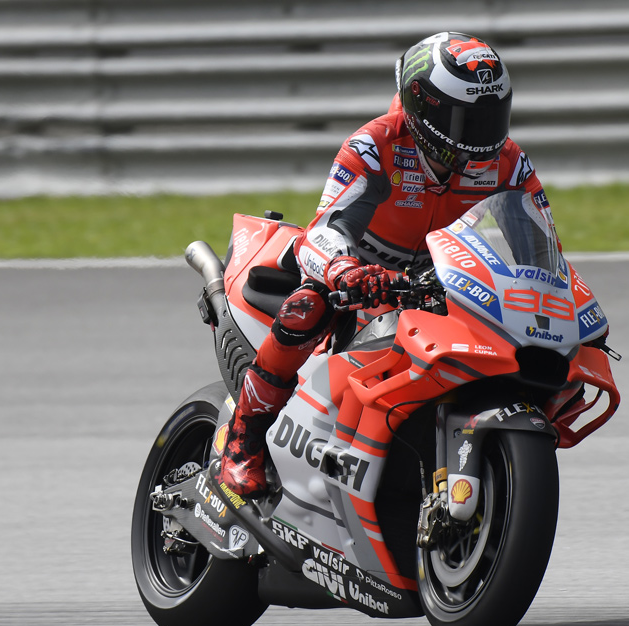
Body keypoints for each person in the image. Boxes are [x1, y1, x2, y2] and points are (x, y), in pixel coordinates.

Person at [213, 31, 555, 498]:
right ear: (422, 108)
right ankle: (244, 438)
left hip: (441, 285)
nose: (482, 136)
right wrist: (344, 272)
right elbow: (325, 230)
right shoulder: (376, 146)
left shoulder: (509, 164)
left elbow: (539, 254)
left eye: (491, 117)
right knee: (310, 304)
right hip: (356, 280)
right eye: (463, 120)